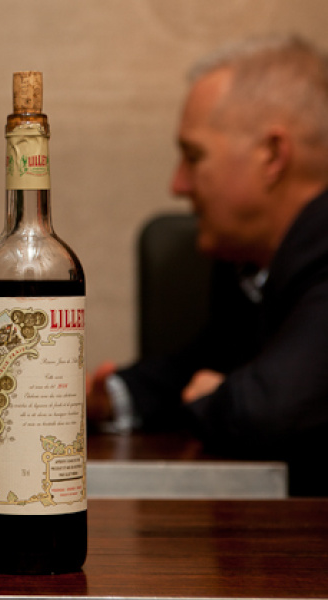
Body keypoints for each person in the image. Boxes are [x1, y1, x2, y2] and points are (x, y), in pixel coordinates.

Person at [88, 34, 328, 496]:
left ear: (272, 156)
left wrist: (216, 397)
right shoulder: (245, 262)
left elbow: (273, 411)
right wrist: (106, 400)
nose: (177, 185)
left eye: (193, 156)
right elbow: (194, 368)